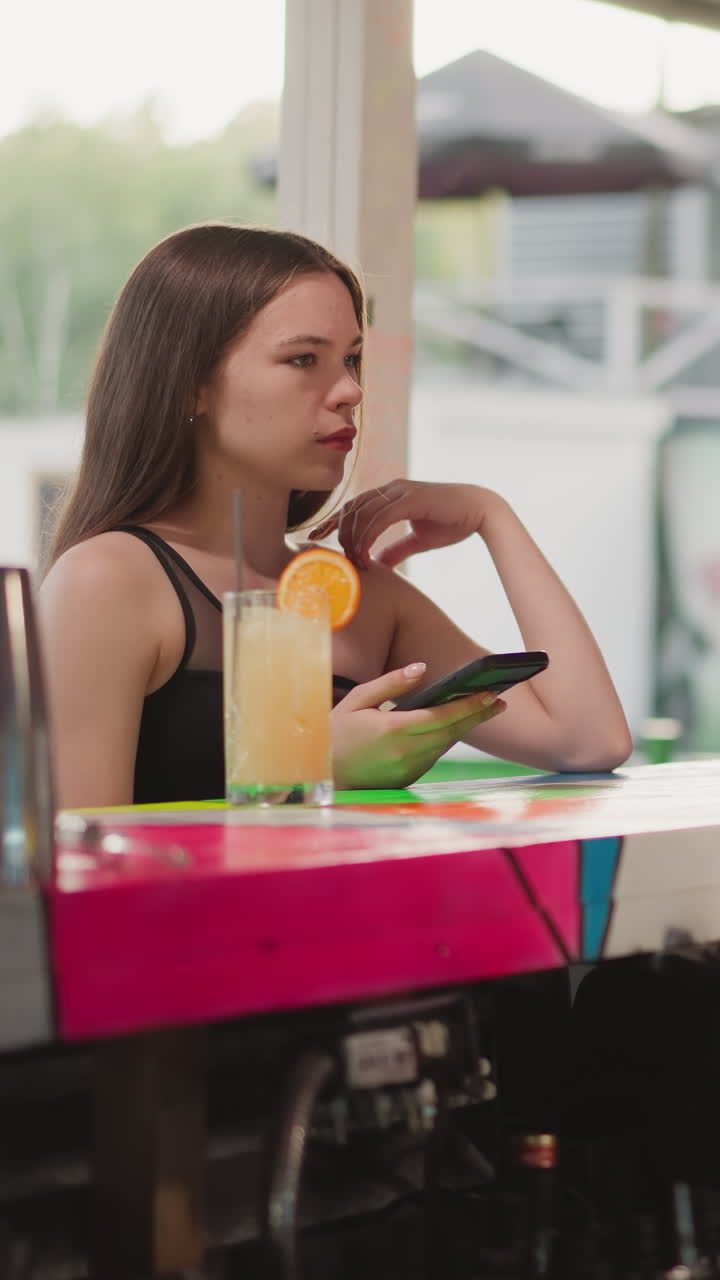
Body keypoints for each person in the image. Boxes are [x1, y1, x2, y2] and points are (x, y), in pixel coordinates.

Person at [39, 223, 631, 809]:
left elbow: (590, 740)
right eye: (303, 359)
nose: (350, 390)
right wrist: (306, 773)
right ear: (190, 384)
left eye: (351, 359)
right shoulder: (107, 581)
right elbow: (78, 866)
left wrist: (492, 517)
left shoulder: (365, 597)